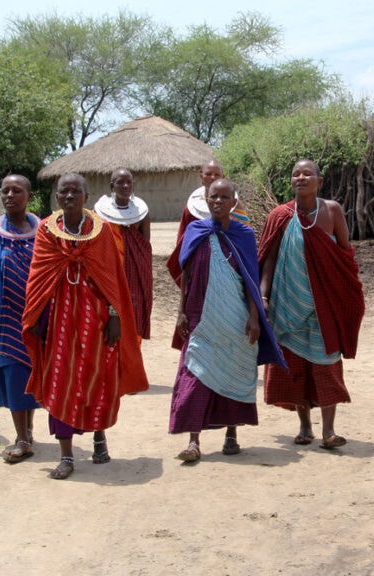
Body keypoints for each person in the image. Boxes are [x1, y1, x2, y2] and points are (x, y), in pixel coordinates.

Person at [22, 173, 149, 480]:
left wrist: (116, 316)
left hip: (96, 318)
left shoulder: (101, 231)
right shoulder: (47, 231)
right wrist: (36, 318)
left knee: (98, 376)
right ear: (56, 197)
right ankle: (66, 455)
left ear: (86, 196)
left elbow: (111, 278)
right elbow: (39, 276)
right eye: (63, 191)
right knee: (60, 379)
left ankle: (99, 436)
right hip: (58, 319)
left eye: (75, 191)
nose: (69, 196)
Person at [170, 179, 285, 462]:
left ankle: (231, 435)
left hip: (236, 317)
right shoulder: (194, 231)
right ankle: (193, 441)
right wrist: (181, 311)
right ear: (205, 200)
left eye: (224, 197)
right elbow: (185, 275)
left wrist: (255, 317)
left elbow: (250, 280)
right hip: (199, 316)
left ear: (233, 202)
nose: (218, 201)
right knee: (194, 372)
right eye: (214, 197)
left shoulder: (243, 234)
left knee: (234, 369)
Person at [258, 159, 364, 450]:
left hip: (323, 305)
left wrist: (346, 295)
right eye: (295, 174)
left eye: (307, 173)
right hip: (287, 302)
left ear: (319, 179)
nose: (301, 177)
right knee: (295, 365)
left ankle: (329, 431)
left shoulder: (331, 211)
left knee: (326, 363)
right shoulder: (280, 216)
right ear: (290, 181)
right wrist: (263, 298)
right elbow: (268, 259)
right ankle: (304, 426)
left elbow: (345, 257)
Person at [0, 174, 41, 463]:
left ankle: (27, 430)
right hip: (3, 318)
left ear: (29, 195)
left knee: (31, 372)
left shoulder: (43, 232)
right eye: (5, 191)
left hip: (36, 317)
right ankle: (22, 438)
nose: (10, 195)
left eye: (17, 191)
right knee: (13, 372)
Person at [93, 168, 153, 342]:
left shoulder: (142, 212)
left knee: (133, 323)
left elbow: (144, 249)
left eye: (129, 182)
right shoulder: (99, 213)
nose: (125, 185)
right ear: (112, 186)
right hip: (108, 273)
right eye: (120, 182)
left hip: (134, 277)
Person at [166, 160, 249, 284]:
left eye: (217, 174)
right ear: (201, 177)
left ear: (223, 177)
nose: (212, 178)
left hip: (228, 265)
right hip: (198, 265)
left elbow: (244, 236)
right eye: (208, 174)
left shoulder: (235, 205)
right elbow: (184, 239)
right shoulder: (192, 206)